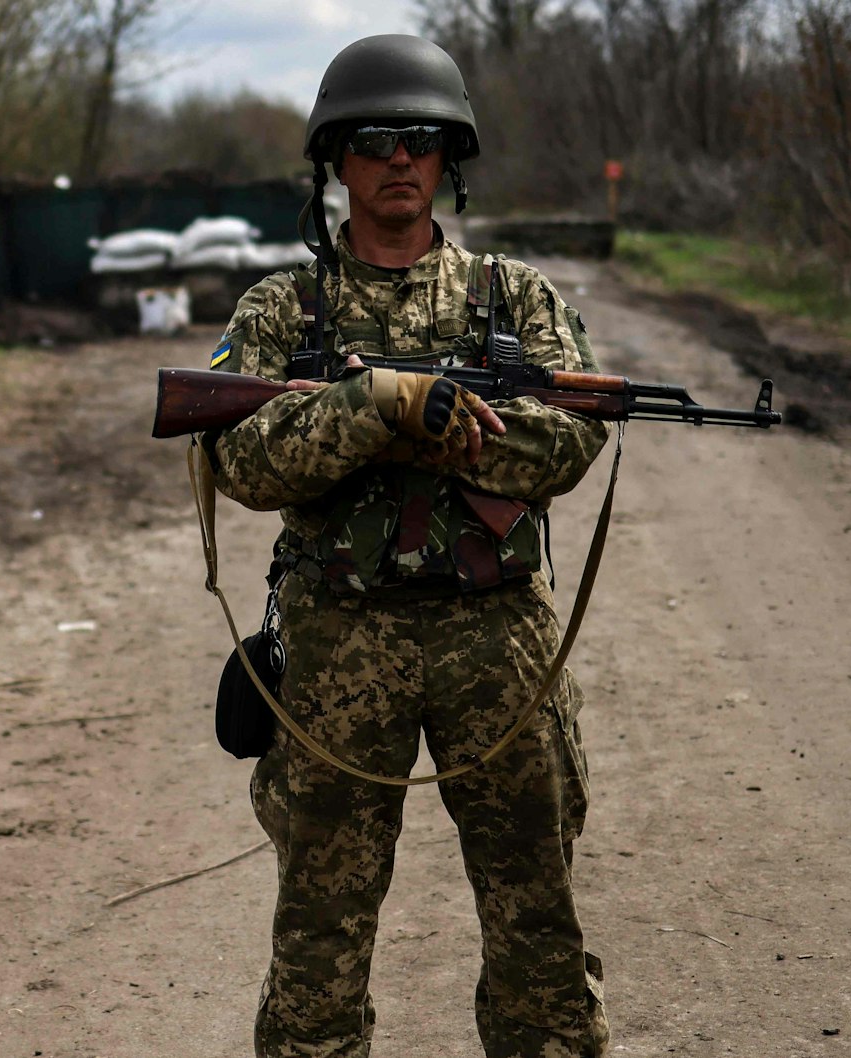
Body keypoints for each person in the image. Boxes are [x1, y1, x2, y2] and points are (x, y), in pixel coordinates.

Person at [203, 34, 611, 1058]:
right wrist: (370, 407)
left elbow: (570, 436)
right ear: (335, 160)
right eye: (374, 139)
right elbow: (240, 462)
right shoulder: (281, 310)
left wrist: (449, 419)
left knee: (536, 915)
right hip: (340, 638)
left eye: (420, 140)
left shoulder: (511, 302)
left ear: (449, 160)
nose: (398, 159)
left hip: (496, 637)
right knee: (318, 930)